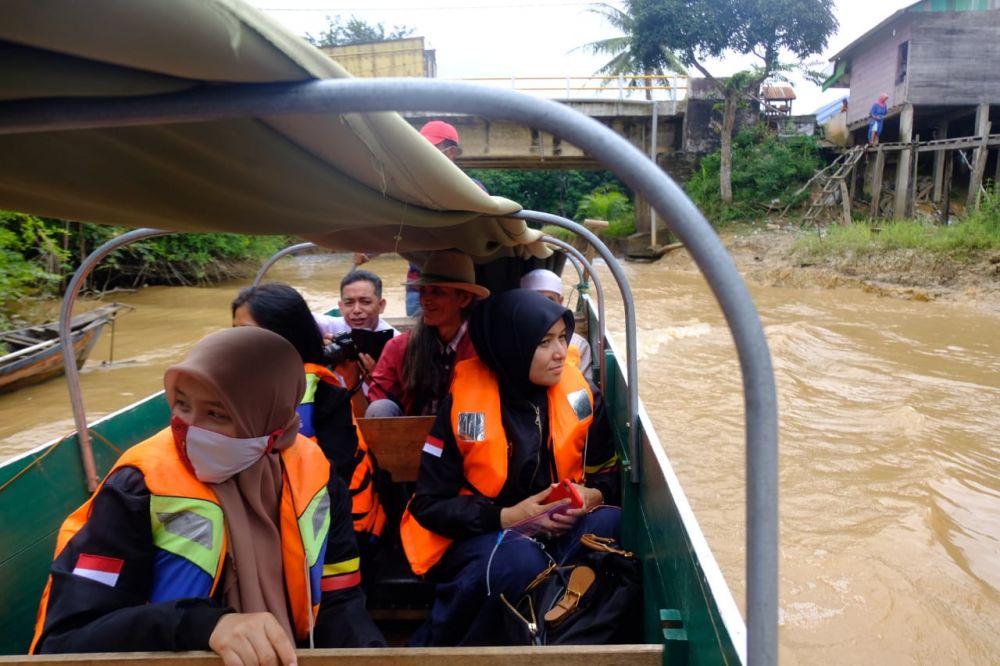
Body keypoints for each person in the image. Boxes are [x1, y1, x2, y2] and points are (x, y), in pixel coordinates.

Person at [31, 327, 385, 661]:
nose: (187, 429)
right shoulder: (138, 488)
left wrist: (375, 658)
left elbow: (341, 601)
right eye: (182, 404)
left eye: (216, 413)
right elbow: (65, 641)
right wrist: (204, 626)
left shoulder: (317, 478)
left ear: (272, 429)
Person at [399, 289, 621, 646]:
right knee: (520, 558)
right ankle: (444, 648)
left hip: (559, 532)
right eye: (544, 342)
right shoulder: (462, 407)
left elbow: (608, 475)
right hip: (481, 536)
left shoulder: (582, 395)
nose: (561, 352)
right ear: (510, 345)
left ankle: (558, 638)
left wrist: (590, 496)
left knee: (608, 522)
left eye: (563, 337)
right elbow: (429, 505)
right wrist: (508, 516)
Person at [232, 283, 385, 552]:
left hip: (334, 527)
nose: (236, 345)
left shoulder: (326, 395)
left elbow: (331, 480)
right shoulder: (237, 389)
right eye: (234, 334)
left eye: (248, 334)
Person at [365, 250, 488, 417]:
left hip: (463, 436)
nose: (425, 300)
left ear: (465, 299)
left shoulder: (484, 347)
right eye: (423, 292)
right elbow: (378, 394)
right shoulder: (399, 346)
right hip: (408, 437)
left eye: (437, 292)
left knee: (473, 405)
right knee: (379, 408)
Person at [520, 268, 593, 378]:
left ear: (560, 302)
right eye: (534, 301)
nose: (541, 308)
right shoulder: (513, 340)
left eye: (549, 300)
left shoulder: (578, 344)